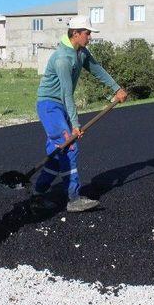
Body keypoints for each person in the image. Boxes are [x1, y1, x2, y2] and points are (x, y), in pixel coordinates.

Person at [33, 15, 128, 213]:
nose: (90, 37)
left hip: (59, 106)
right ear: (75, 34)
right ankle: (74, 198)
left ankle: (38, 193)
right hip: (50, 106)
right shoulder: (62, 59)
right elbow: (66, 94)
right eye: (87, 33)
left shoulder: (81, 52)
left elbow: (97, 70)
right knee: (70, 147)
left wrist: (116, 88)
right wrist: (75, 125)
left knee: (57, 152)